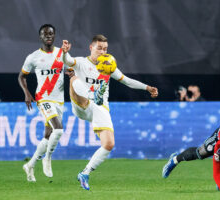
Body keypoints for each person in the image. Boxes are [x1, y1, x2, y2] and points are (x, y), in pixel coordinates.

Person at [61, 34, 158, 190]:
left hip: (100, 107)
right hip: (82, 103)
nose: (102, 51)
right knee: (73, 78)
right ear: (91, 47)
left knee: (109, 144)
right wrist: (65, 52)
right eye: (99, 48)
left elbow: (126, 80)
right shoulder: (81, 62)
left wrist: (147, 88)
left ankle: (85, 173)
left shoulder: (108, 65)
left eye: (105, 49)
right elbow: (67, 61)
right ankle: (94, 95)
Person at [18, 24, 70, 182]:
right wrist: (27, 93)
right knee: (59, 130)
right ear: (40, 37)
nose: (48, 36)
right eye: (45, 34)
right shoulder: (33, 57)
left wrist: (72, 74)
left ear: (54, 36)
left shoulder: (62, 54)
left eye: (51, 34)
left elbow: (71, 69)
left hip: (59, 100)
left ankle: (30, 165)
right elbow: (21, 76)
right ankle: (48, 158)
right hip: (43, 98)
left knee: (48, 136)